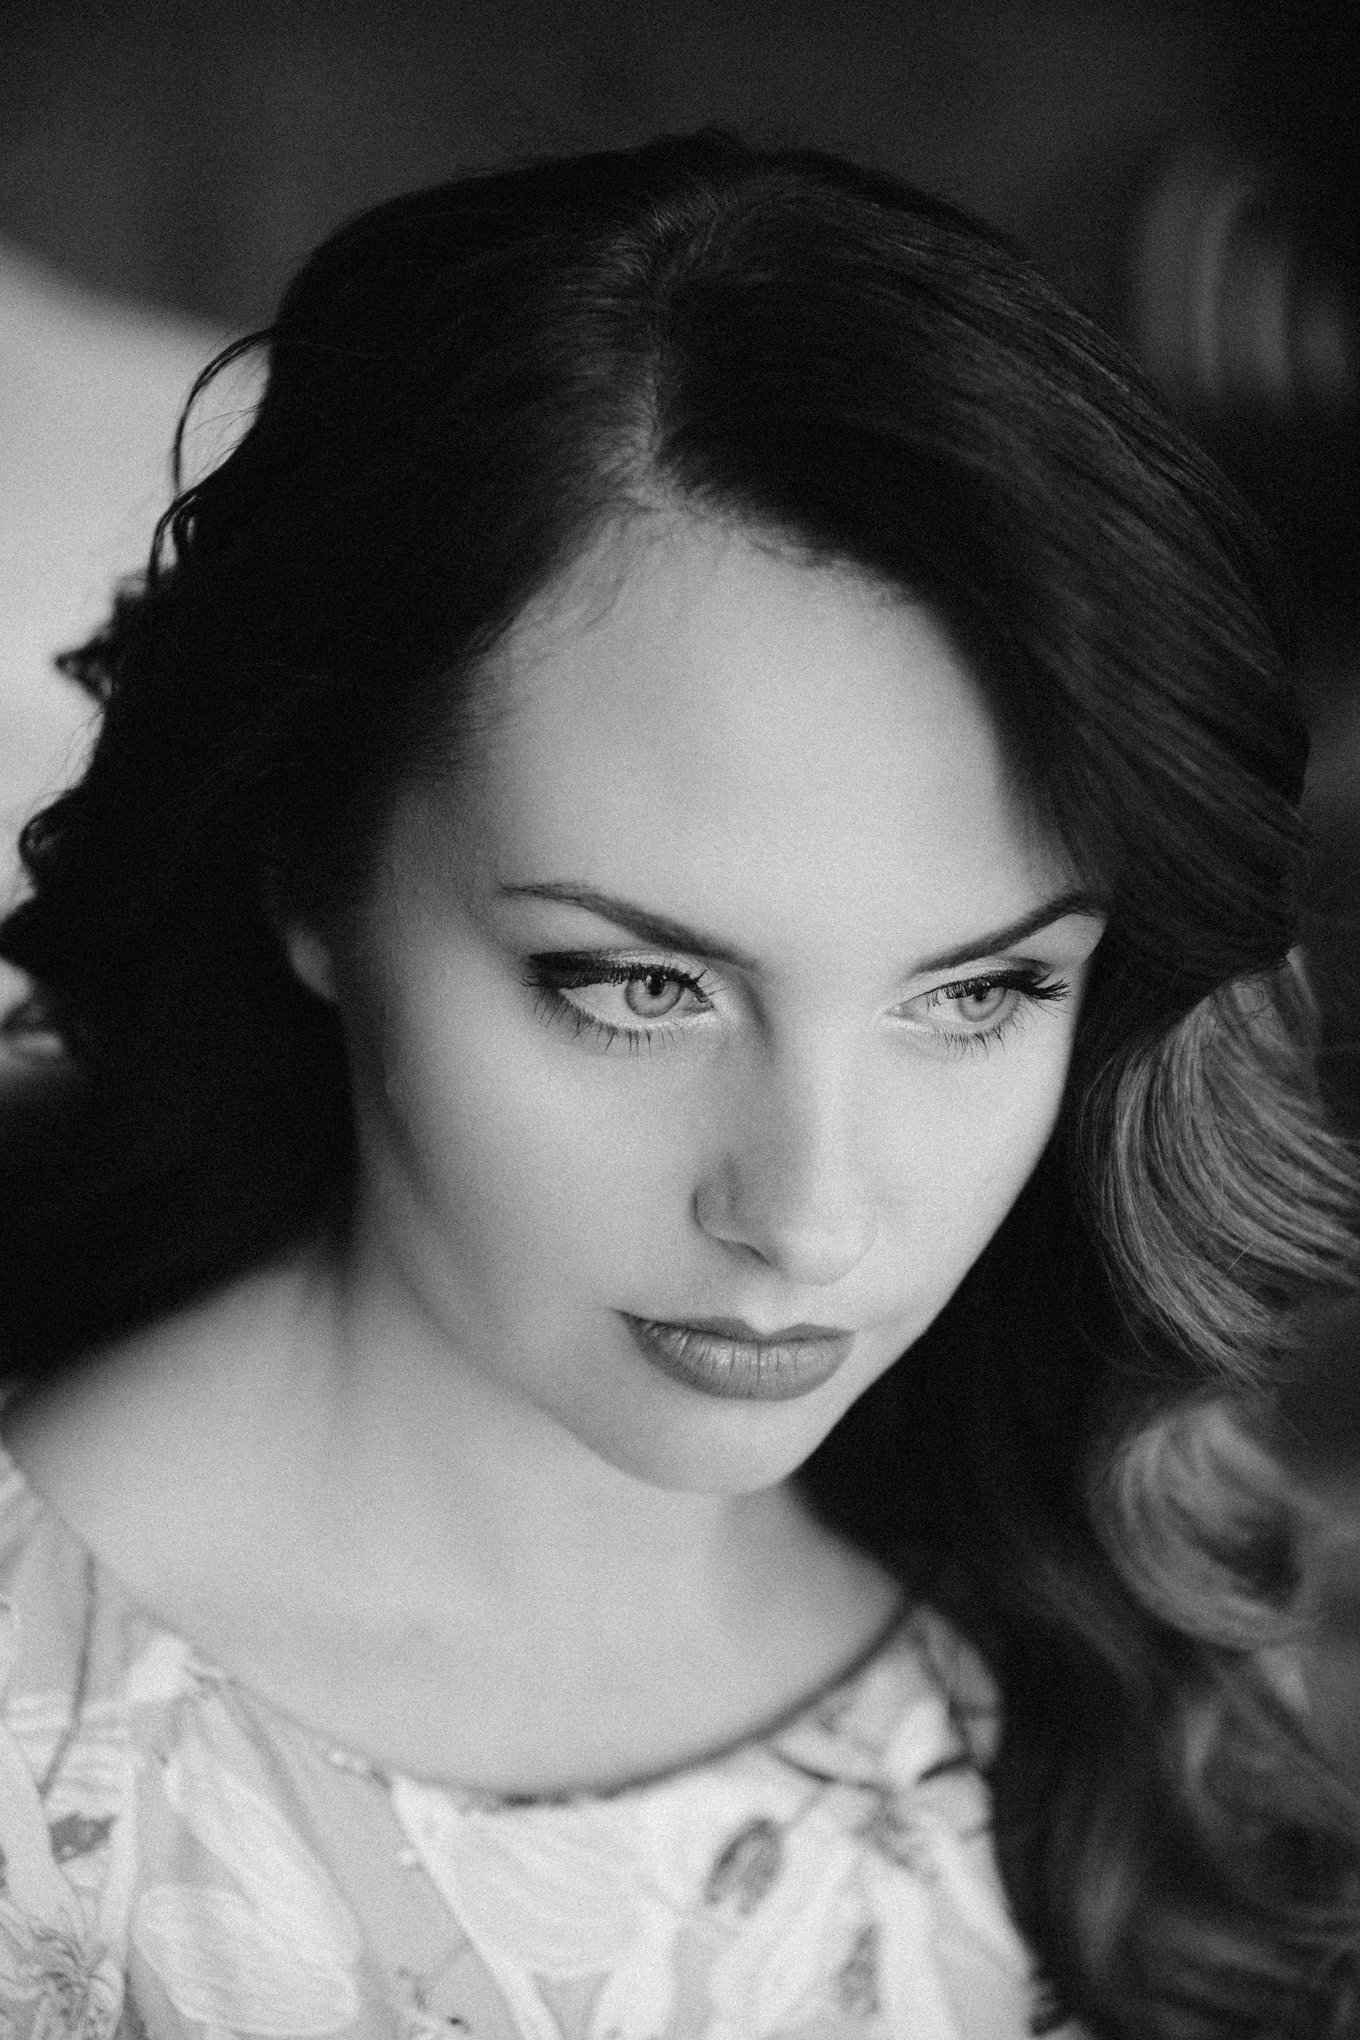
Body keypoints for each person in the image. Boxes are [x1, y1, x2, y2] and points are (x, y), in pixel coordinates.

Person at [0, 130, 1356, 2040]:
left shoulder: (1133, 1606)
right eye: (641, 987)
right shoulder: (48, 1791)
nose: (810, 1217)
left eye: (978, 993)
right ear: (308, 871)